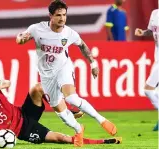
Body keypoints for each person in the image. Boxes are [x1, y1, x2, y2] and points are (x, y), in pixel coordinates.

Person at [16, 0, 117, 147]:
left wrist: (93, 64)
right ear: (50, 15)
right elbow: (22, 37)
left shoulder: (69, 33)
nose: (62, 18)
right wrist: (20, 39)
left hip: (64, 68)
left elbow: (82, 45)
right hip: (47, 76)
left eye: (64, 15)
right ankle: (78, 129)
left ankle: (101, 120)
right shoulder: (37, 29)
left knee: (72, 98)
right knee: (61, 112)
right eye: (58, 15)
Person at [0, 68, 122, 146]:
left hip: (23, 112)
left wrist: (0, 86)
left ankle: (66, 110)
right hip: (22, 131)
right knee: (60, 138)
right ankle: (102, 142)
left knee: (38, 88)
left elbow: (6, 82)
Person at [135, 9, 159, 131]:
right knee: (156, 92)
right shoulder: (154, 13)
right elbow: (151, 31)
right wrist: (143, 32)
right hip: (157, 58)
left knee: (148, 90)